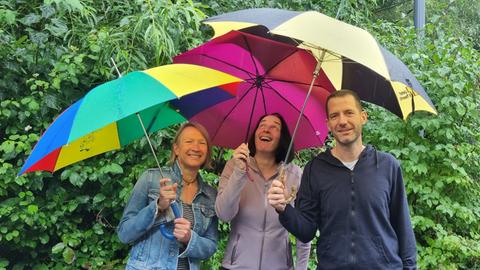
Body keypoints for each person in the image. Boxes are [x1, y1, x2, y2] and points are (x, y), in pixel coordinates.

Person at [268, 89, 417, 270]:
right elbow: (306, 232)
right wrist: (284, 209)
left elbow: (403, 228)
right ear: (328, 124)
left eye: (349, 113)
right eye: (334, 116)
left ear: (363, 117)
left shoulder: (387, 166)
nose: (342, 121)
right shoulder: (315, 169)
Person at [216, 113, 311, 270]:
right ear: (254, 135)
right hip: (237, 267)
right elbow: (224, 214)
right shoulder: (235, 166)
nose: (266, 130)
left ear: (283, 137)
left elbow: (303, 228)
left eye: (274, 127)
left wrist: (302, 268)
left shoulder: (295, 174)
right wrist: (239, 173)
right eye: (262, 125)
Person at [117, 122, 218, 270]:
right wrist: (158, 206)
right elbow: (124, 233)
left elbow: (211, 245)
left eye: (202, 143)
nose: (196, 148)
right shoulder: (150, 179)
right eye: (189, 141)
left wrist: (190, 238)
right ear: (176, 148)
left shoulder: (210, 195)